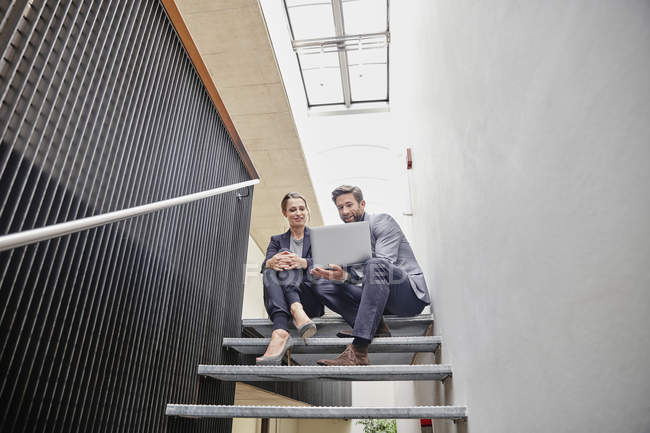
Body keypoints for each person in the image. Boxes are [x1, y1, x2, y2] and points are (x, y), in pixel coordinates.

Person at [310, 185, 431, 366]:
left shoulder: (382, 222)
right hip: (378, 299)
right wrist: (342, 276)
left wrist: (350, 275)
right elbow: (354, 277)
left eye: (349, 205)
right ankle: (376, 327)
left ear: (363, 204)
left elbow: (383, 265)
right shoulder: (345, 238)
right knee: (323, 284)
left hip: (407, 296)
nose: (345, 211)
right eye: (340, 207)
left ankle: (358, 350)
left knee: (376, 264)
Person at [256, 192, 324, 365]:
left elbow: (326, 265)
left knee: (285, 259)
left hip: (309, 300)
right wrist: (271, 261)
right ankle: (284, 326)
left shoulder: (318, 237)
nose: (298, 213)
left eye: (302, 208)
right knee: (273, 265)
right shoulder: (276, 240)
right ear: (285, 213)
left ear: (307, 211)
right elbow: (265, 266)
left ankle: (283, 325)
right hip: (286, 305)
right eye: (293, 209)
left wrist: (302, 262)